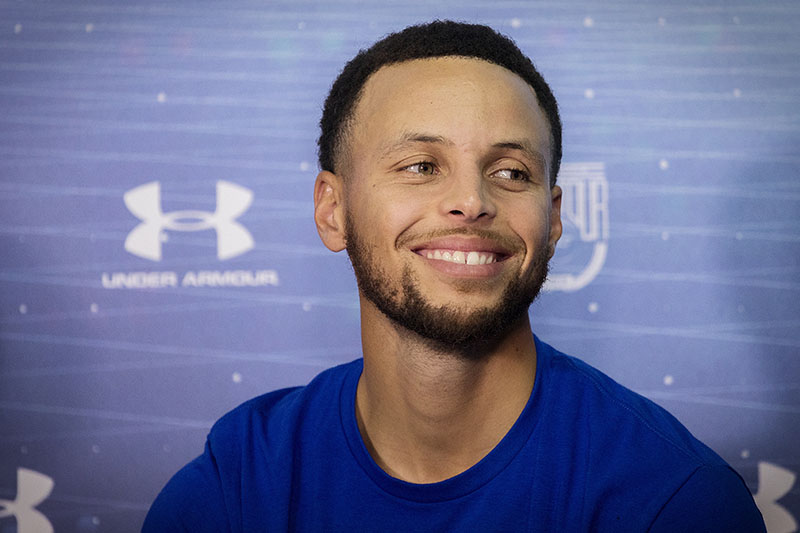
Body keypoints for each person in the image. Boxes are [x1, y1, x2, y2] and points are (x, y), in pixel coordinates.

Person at [143, 21, 765, 531]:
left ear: (552, 219)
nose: (471, 201)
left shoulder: (675, 500)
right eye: (420, 165)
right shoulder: (238, 485)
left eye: (511, 172)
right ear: (333, 211)